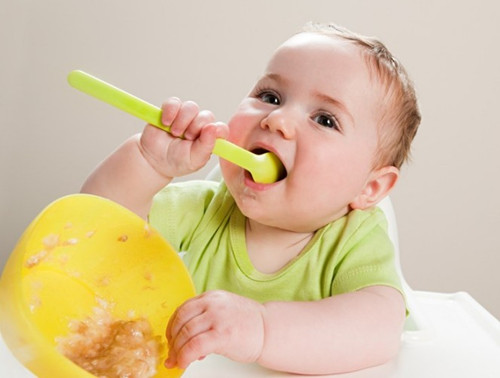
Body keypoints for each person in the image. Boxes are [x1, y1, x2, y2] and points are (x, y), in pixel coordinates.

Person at [81, 22, 420, 375]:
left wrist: (261, 328)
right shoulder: (208, 209)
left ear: (371, 189)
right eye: (270, 97)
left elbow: (379, 329)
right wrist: (148, 162)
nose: (278, 119)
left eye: (324, 119)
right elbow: (97, 230)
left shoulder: (354, 240)